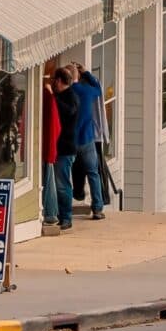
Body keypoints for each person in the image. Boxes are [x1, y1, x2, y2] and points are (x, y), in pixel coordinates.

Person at [65, 66, 107, 220]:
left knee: (65, 175)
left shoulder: (66, 93)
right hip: (87, 139)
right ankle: (97, 208)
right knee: (93, 174)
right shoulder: (87, 91)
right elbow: (98, 88)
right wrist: (86, 72)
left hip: (69, 141)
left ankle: (65, 210)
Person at [42, 69, 73, 232]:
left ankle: (66, 217)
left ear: (60, 81)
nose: (53, 83)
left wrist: (52, 97)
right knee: (58, 183)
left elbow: (69, 111)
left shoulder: (71, 96)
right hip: (60, 148)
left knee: (62, 184)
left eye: (55, 80)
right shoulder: (64, 96)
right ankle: (60, 214)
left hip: (66, 149)